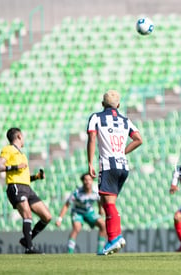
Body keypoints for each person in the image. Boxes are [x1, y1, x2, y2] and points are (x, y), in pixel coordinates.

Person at [87, 90, 142, 255]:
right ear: (118, 105)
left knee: (107, 203)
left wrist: (90, 162)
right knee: (110, 202)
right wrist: (123, 152)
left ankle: (114, 238)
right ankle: (116, 237)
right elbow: (139, 139)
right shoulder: (126, 120)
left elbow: (92, 139)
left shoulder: (96, 117)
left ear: (102, 104)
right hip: (123, 166)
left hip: (108, 165)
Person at [0, 127, 52, 254]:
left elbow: (24, 178)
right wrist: (15, 166)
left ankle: (27, 240)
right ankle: (29, 248)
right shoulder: (8, 149)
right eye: (23, 136)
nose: (24, 138)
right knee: (27, 215)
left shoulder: (22, 154)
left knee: (47, 216)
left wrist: (36, 177)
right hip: (15, 187)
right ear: (19, 136)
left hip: (26, 188)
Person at [55, 173, 107, 254]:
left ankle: (100, 251)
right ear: (83, 181)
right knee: (77, 227)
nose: (87, 182)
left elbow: (99, 201)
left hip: (89, 212)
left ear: (92, 181)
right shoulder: (77, 192)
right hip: (77, 212)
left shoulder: (96, 191)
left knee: (103, 225)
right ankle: (70, 252)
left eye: (89, 179)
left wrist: (100, 209)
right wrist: (60, 219)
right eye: (85, 180)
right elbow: (66, 205)